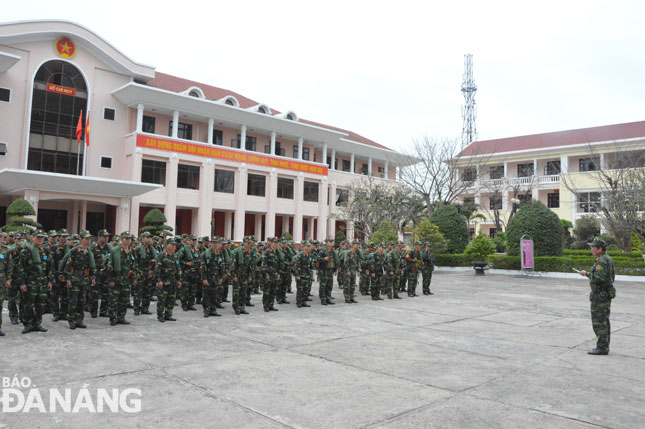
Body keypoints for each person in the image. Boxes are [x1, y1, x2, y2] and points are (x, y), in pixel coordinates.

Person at [578, 237, 616, 355]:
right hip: (604, 294)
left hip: (600, 295)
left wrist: (587, 274)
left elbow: (599, 278)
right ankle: (604, 345)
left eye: (593, 247)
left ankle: (602, 347)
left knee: (599, 322)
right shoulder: (607, 259)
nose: (592, 249)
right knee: (604, 321)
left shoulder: (602, 261)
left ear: (600, 249)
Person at [17, 230, 52, 334]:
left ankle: (37, 323)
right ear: (33, 238)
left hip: (42, 283)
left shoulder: (46, 251)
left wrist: (50, 281)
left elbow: (50, 267)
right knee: (28, 304)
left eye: (42, 237)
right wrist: (22, 283)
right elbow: (21, 268)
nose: (40, 239)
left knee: (41, 304)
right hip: (30, 283)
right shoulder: (26, 251)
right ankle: (28, 324)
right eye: (38, 237)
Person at [63, 230, 96, 330]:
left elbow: (91, 266)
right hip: (75, 279)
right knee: (73, 301)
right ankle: (72, 321)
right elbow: (68, 266)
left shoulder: (89, 251)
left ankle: (79, 321)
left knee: (82, 301)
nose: (88, 240)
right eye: (86, 238)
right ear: (81, 239)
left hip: (84, 280)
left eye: (89, 238)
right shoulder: (75, 251)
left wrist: (92, 277)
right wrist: (68, 279)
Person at [106, 232, 137, 326]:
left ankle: (121, 317)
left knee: (124, 300)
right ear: (121, 239)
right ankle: (113, 318)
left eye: (129, 239)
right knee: (114, 300)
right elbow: (109, 266)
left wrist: (134, 278)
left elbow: (134, 265)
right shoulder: (116, 251)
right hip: (116, 279)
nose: (128, 240)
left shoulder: (132, 251)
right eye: (126, 238)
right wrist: (110, 280)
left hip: (126, 280)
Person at [155, 238, 182, 322]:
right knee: (162, 300)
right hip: (164, 281)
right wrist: (158, 280)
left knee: (171, 299)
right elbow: (158, 269)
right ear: (167, 245)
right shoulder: (162, 255)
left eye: (175, 245)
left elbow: (178, 268)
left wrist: (179, 279)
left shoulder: (175, 255)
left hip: (173, 281)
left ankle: (168, 314)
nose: (174, 246)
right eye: (172, 245)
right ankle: (160, 315)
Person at [200, 237, 225, 317]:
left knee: (214, 295)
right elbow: (203, 268)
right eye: (213, 243)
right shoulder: (205, 254)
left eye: (216, 243)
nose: (214, 244)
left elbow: (221, 267)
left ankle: (213, 310)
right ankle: (206, 310)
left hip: (215, 278)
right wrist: (204, 278)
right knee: (206, 295)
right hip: (208, 278)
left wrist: (221, 278)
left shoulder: (219, 254)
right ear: (210, 243)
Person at [261, 237, 282, 312]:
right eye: (274, 243)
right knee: (267, 291)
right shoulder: (267, 252)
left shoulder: (277, 252)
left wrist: (278, 273)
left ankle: (271, 305)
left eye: (277, 243)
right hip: (268, 275)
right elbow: (263, 265)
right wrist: (266, 274)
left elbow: (278, 264)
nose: (276, 244)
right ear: (271, 243)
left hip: (275, 275)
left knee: (273, 291)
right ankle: (265, 306)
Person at [317, 238, 339, 305]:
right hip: (324, 271)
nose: (331, 243)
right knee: (323, 286)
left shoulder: (333, 251)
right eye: (330, 242)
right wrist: (324, 259)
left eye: (332, 242)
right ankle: (323, 299)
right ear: (326, 243)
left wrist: (335, 269)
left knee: (329, 285)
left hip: (330, 271)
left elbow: (335, 260)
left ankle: (328, 298)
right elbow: (317, 259)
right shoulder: (322, 250)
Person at [293, 240, 314, 308]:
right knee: (300, 289)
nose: (308, 247)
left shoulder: (309, 255)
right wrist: (297, 275)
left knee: (306, 289)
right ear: (303, 247)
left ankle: (304, 301)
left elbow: (310, 266)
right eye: (307, 246)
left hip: (307, 275)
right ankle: (299, 302)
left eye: (309, 246)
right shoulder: (300, 255)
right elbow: (297, 266)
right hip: (301, 275)